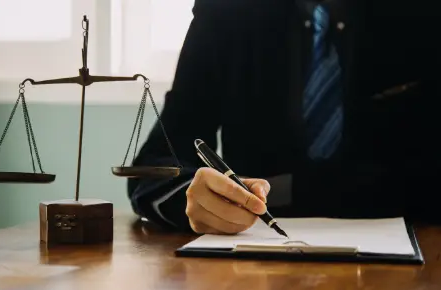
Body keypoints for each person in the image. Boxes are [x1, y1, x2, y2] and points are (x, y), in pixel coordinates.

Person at [126, 0, 441, 234]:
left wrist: (299, 190)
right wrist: (193, 200)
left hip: (415, 253)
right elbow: (152, 167)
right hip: (255, 263)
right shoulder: (226, 10)